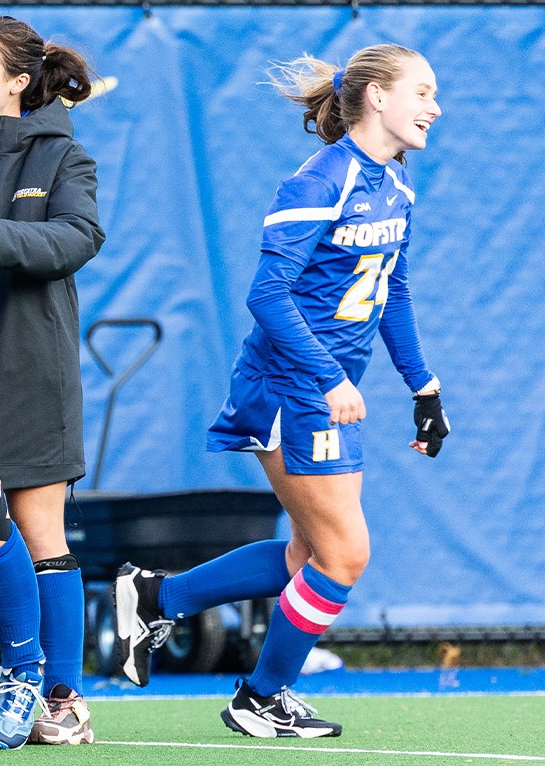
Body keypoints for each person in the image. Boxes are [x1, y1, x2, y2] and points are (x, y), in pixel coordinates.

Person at [114, 44, 446, 740]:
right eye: (422, 91)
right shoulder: (320, 179)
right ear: (378, 97)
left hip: (326, 389)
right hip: (289, 386)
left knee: (309, 556)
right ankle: (260, 696)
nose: (434, 107)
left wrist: (425, 387)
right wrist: (328, 376)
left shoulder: (397, 186)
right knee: (344, 554)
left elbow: (395, 292)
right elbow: (267, 293)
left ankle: (156, 594)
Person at [0, 15, 103, 745]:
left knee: (40, 530)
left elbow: (77, 238)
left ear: (15, 81)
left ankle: (61, 699)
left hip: (31, 363)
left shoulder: (61, 153)